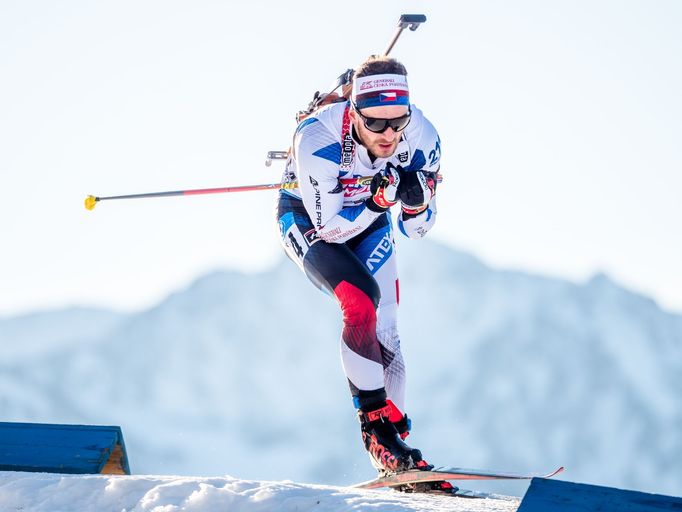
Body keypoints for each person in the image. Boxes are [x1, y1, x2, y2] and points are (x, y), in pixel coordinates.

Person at [276, 55, 450, 493]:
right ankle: (374, 431)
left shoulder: (422, 135)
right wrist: (379, 199)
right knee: (360, 300)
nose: (390, 136)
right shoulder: (317, 139)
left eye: (398, 123)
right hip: (309, 218)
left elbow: (418, 229)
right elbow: (331, 229)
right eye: (376, 125)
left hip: (372, 217)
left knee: (388, 327)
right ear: (354, 113)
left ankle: (396, 445)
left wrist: (415, 202)